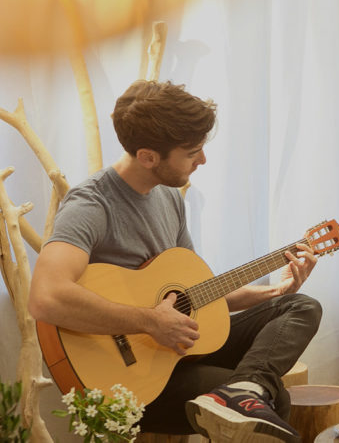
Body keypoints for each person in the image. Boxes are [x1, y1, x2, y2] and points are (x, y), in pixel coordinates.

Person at [28, 80, 322, 443]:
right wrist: (149, 320)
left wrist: (275, 290)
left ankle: (245, 388)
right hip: (131, 381)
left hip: (177, 351)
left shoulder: (169, 198)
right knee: (274, 402)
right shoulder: (91, 205)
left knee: (299, 307)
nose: (202, 160)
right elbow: (45, 297)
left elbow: (196, 298)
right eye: (192, 152)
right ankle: (246, 392)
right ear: (148, 157)